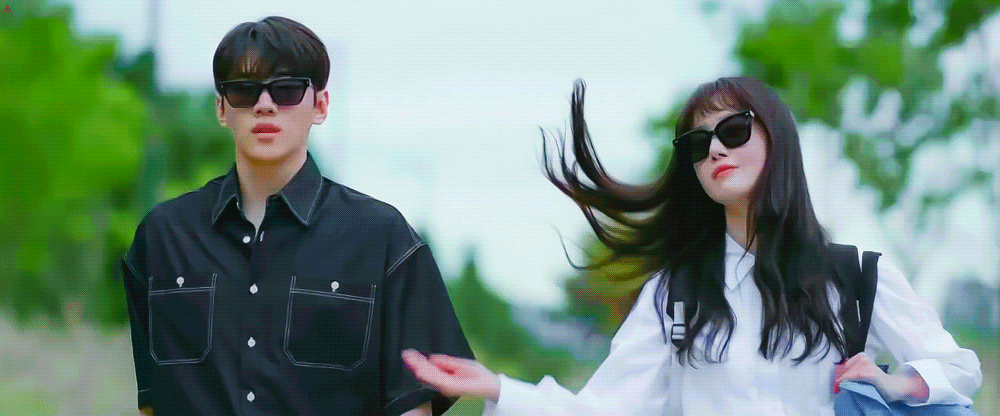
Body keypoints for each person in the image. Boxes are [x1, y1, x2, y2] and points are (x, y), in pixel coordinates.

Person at [402, 78, 982, 415]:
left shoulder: (855, 277)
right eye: (697, 144)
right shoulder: (675, 292)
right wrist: (500, 388)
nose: (715, 152)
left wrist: (898, 383)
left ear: (778, 139)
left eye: (733, 131)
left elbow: (960, 368)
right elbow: (606, 409)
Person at [122, 16, 474, 416]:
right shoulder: (164, 237)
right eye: (243, 91)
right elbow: (152, 403)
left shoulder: (383, 238)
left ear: (320, 106)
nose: (264, 105)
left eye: (286, 89)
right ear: (221, 108)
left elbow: (413, 406)